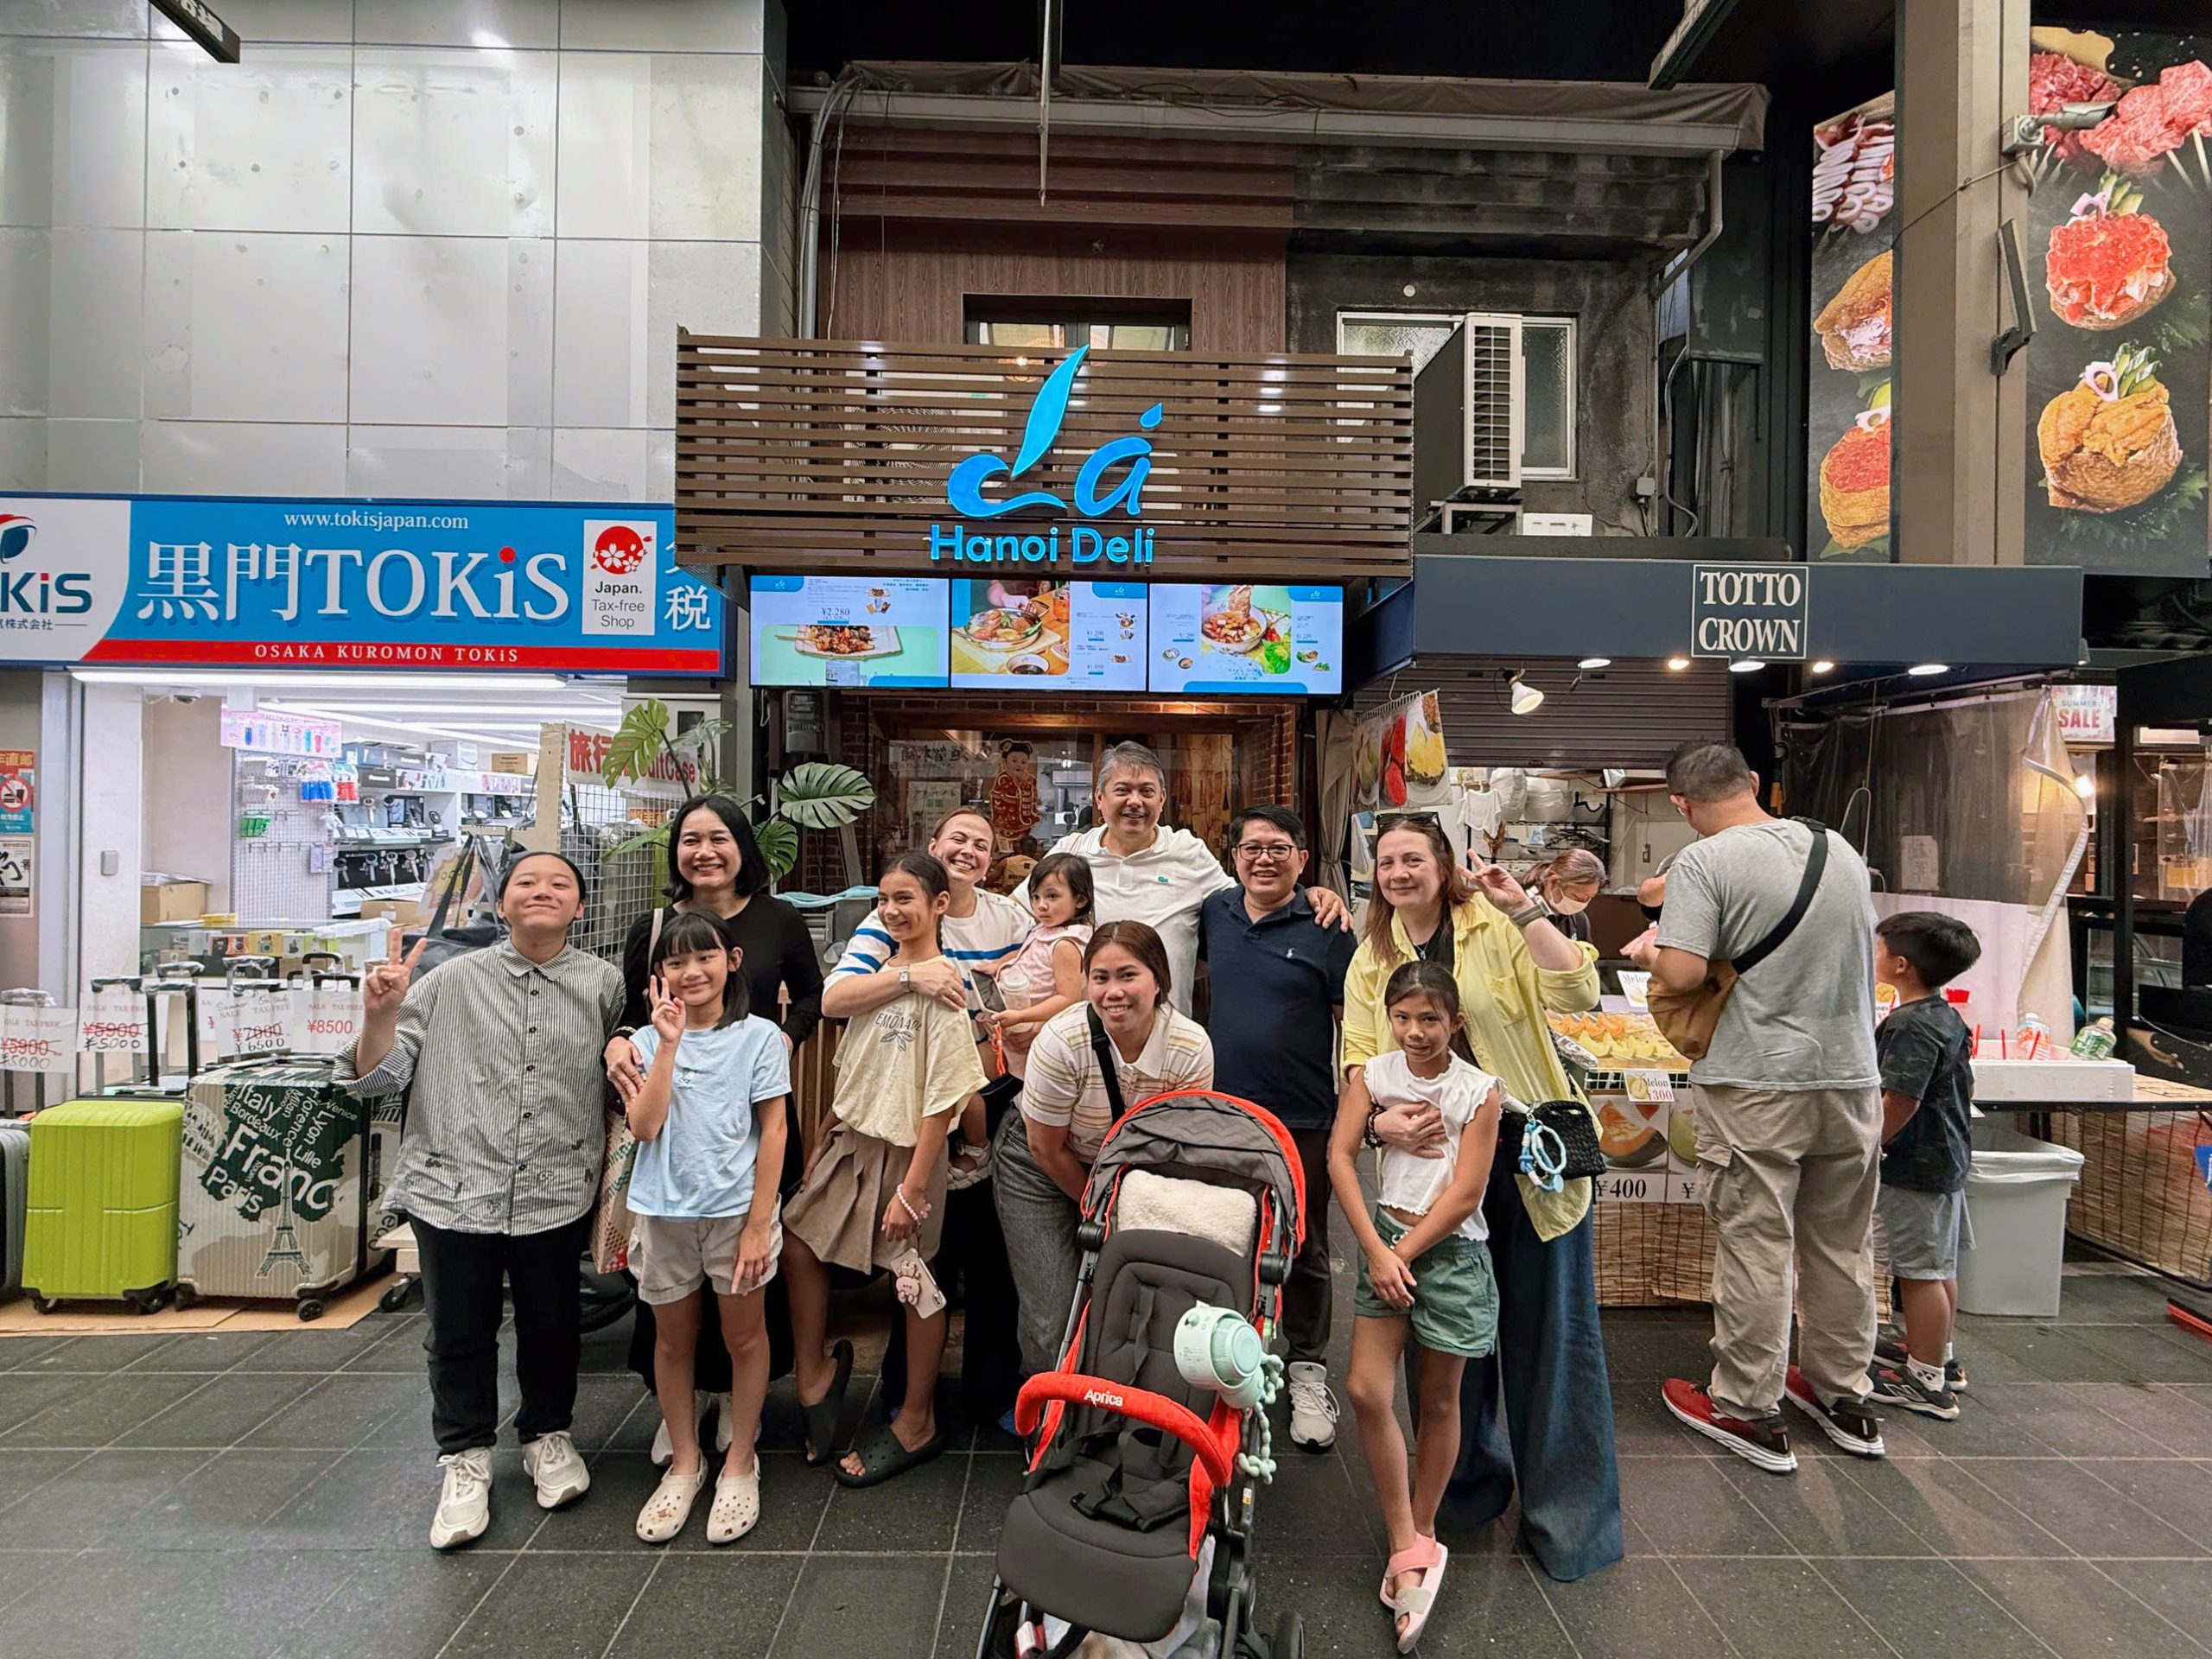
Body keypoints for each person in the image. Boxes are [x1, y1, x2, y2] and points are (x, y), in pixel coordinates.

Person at [1347, 812, 1622, 1583]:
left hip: (1527, 1160)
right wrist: (1376, 1122)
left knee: (1549, 1335)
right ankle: (1461, 1494)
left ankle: (1569, 1521)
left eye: (1413, 859)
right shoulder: (1373, 955)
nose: (1399, 874)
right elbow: (1358, 1060)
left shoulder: (1495, 926)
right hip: (1430, 1173)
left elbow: (1578, 990)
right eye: (1387, 862)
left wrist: (1525, 909)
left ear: (1444, 865)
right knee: (1446, 1339)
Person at [340, 850, 624, 1551]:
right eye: (526, 882)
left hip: (556, 1183)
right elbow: (379, 1080)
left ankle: (546, 1435)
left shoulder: (604, 984)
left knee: (552, 1322)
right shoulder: (445, 981)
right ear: (501, 904)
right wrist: (379, 1016)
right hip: (454, 1185)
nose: (542, 891)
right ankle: (464, 1455)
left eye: (559, 884)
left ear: (580, 907)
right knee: (459, 1330)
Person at [1625, 740, 1887, 1471]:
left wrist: (1648, 954)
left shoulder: (1705, 861)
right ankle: (1845, 1396)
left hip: (1757, 1083)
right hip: (1851, 1079)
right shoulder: (1836, 848)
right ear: (1755, 782)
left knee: (1758, 1245)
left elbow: (1682, 973)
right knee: (1843, 1244)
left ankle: (1747, 1405)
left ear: (1682, 804)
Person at [603, 795, 823, 1470]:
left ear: (741, 847)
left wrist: (782, 1041)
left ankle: (735, 1400)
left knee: (746, 1276)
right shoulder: (655, 925)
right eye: (691, 839)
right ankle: (682, 1409)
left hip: (748, 1121)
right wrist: (621, 1040)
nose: (704, 851)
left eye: (719, 837)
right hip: (671, 1133)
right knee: (670, 1293)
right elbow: (631, 1006)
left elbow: (812, 995)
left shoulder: (778, 919)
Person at [785, 852, 988, 1486]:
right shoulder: (881, 976)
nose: (893, 910)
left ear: (940, 905)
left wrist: (913, 1188)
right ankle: (816, 1372)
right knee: (798, 1241)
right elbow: (855, 1061)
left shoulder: (945, 988)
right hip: (853, 1140)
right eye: (884, 899)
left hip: (908, 1156)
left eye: (906, 899)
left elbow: (943, 1100)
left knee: (914, 1281)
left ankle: (917, 1419)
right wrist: (826, 1130)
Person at [827, 807, 1027, 1426]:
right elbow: (836, 998)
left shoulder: (1009, 915)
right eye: (957, 838)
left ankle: (992, 1393)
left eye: (981, 844)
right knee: (919, 1254)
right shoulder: (891, 913)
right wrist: (916, 976)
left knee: (993, 1255)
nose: (968, 850)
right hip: (919, 1108)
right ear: (935, 846)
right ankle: (908, 1396)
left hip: (996, 1098)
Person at [1332, 962, 1503, 1651]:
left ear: (1455, 1022)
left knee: (1438, 1399)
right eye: (1402, 1017)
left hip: (1451, 1255)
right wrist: (1377, 1249)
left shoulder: (1479, 1091)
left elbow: (1467, 1193)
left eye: (1430, 1018)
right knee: (1365, 1390)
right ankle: (1406, 1538)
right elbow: (1340, 1158)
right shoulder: (1372, 1077)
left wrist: (1399, 1254)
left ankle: (1422, 1535)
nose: (1415, 1031)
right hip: (1386, 1241)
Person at [625, 912, 790, 1545]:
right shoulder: (646, 1041)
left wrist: (758, 1224)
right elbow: (644, 1126)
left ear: (732, 960)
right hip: (663, 1212)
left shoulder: (760, 1037)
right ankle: (686, 1463)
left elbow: (774, 1130)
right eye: (676, 962)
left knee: (744, 1337)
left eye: (705, 957)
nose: (692, 972)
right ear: (659, 974)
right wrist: (667, 1044)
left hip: (735, 1212)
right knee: (672, 1343)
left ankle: (741, 1461)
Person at [994, 922, 1215, 1381]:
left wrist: (1122, 1212)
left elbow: (1175, 1148)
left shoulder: (1190, 1047)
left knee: (1139, 1303)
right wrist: (1100, 1211)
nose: (1114, 992)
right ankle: (1047, 1411)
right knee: (1054, 1314)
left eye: (1128, 975)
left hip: (1132, 1172)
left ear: (1159, 980)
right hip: (1040, 1165)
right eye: (1100, 978)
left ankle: (1119, 1405)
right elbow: (1044, 1147)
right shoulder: (1062, 1040)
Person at [1200, 805, 1357, 1450]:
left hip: (1304, 1114)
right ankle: (1234, 1357)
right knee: (1229, 1237)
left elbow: (1355, 1022)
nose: (1264, 859)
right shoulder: (1214, 913)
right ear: (1234, 857)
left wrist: (1362, 1106)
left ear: (1302, 858)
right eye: (1252, 848)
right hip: (1224, 1115)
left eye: (1279, 848)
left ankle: (1307, 1369)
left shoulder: (1327, 926)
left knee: (1306, 1244)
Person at [1019, 741, 1348, 1014]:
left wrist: (1308, 894)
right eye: (1123, 790)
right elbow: (1015, 915)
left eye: (1147, 791)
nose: (1135, 801)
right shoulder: (1072, 852)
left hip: (1168, 1037)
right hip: (1082, 1037)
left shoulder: (1187, 851)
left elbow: (1249, 905)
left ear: (1162, 800)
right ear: (1099, 798)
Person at [1867, 911, 1982, 1419]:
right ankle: (1938, 1355)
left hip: (1916, 1163)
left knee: (1920, 1273)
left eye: (1879, 948)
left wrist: (1869, 1145)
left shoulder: (1910, 1025)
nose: (1873, 956)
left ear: (1900, 965)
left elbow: (1901, 1099)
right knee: (1938, 1266)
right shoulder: (1943, 1015)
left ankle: (1926, 1380)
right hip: (1945, 1156)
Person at [988, 850, 1096, 1083]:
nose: (1041, 906)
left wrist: (1021, 1016)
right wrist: (999, 963)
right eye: (1035, 897)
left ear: (1080, 900)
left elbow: (1068, 998)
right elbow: (1029, 950)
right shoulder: (1047, 928)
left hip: (1033, 1032)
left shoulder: (1066, 943)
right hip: (1018, 1021)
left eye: (1052, 896)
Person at [1522, 849, 1605, 944]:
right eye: (1577, 897)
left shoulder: (1578, 919)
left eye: (1589, 897)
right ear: (1553, 882)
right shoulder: (1519, 909)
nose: (1582, 904)